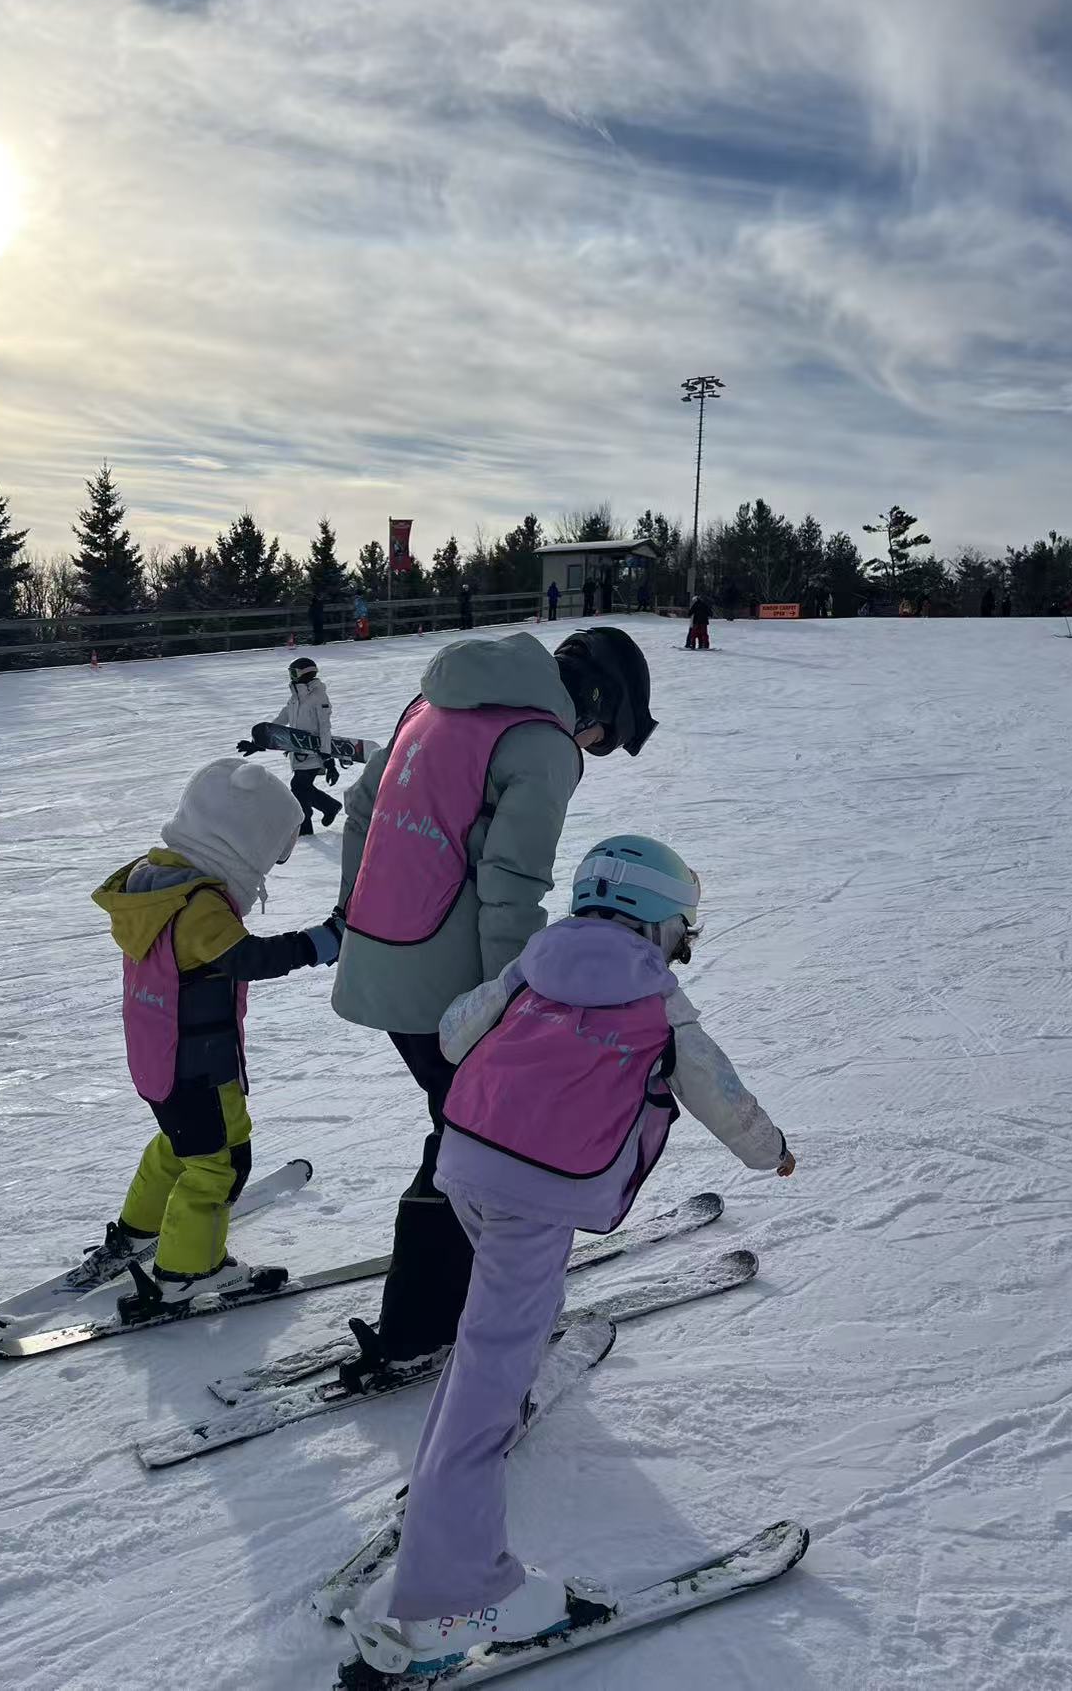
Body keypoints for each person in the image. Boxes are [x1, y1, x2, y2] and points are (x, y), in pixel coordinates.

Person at [355, 835, 794, 1668]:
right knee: (489, 1370)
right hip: (537, 1194)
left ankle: (506, 1361)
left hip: (467, 1168)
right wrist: (768, 1148)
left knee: (502, 1320)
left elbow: (453, 1035)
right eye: (682, 932)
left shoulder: (531, 962)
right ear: (660, 924)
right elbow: (716, 1088)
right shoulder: (658, 999)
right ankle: (455, 1596)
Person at [330, 628, 657, 1388]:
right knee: (468, 1147)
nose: (591, 749)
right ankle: (420, 1324)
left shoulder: (433, 703)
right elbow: (510, 887)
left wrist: (357, 913)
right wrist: (511, 1004)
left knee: (458, 1131)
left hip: (381, 962)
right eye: (602, 737)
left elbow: (359, 809)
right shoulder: (541, 744)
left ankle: (441, 1300)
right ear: (595, 703)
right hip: (443, 983)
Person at [82, 759, 340, 1315]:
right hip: (200, 1062)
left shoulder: (154, 882)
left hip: (156, 1056)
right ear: (242, 838)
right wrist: (323, 941)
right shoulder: (197, 906)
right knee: (220, 1162)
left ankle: (136, 1231)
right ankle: (187, 1270)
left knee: (179, 1145)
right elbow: (247, 957)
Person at [247, 657, 341, 835]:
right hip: (297, 752)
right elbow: (279, 723)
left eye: (294, 672)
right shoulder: (294, 698)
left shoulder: (318, 697)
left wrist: (327, 758)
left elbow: (325, 728)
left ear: (305, 673)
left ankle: (305, 829)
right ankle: (330, 806)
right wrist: (258, 742)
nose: (291, 677)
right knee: (302, 788)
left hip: (315, 752)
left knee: (299, 787)